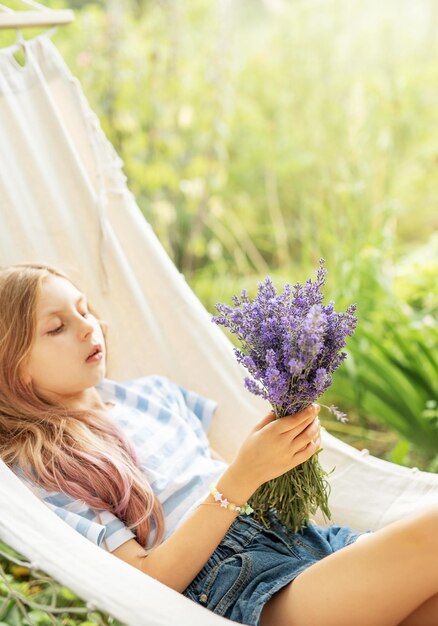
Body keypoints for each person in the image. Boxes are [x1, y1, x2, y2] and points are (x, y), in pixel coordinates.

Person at [0, 263, 437, 626]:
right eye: (56, 328)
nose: (86, 327)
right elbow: (141, 580)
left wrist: (275, 453)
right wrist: (243, 475)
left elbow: (215, 477)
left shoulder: (153, 394)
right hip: (238, 584)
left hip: (303, 539)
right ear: (16, 367)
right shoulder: (41, 463)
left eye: (84, 309)